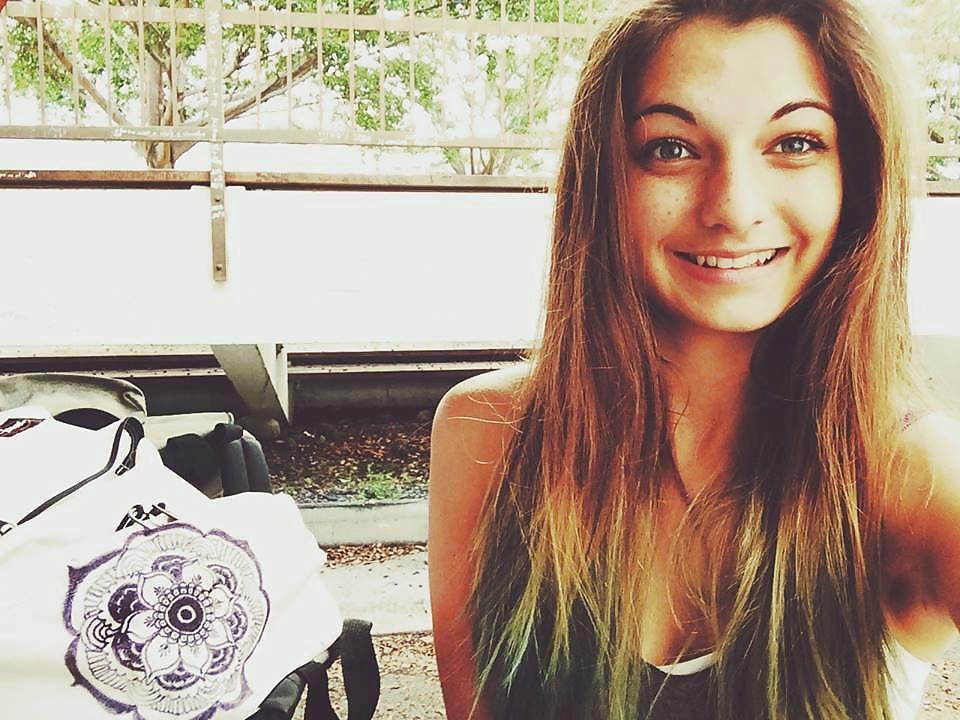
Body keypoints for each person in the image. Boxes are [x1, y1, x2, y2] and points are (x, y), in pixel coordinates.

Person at [427, 0, 960, 718]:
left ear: (857, 174)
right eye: (672, 148)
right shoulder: (485, 432)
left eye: (795, 143)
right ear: (605, 180)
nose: (734, 208)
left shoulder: (913, 475)